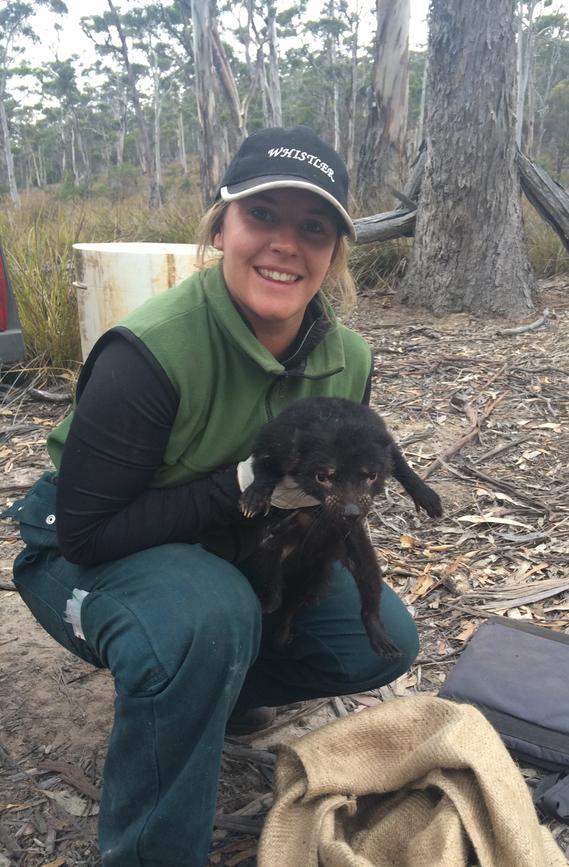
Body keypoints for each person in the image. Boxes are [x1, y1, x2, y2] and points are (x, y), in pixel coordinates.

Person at [2, 126, 419, 867]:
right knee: (205, 615)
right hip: (81, 548)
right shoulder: (150, 351)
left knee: (378, 634)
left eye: (313, 226)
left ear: (335, 251)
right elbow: (87, 534)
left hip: (226, 554)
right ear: (221, 225)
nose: (285, 244)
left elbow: (334, 496)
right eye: (262, 216)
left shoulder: (347, 357)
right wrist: (242, 489)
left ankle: (208, 685)